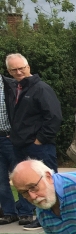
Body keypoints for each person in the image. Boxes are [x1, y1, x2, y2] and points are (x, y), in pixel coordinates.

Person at [5, 53, 62, 231]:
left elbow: (54, 117)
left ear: (28, 67)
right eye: (14, 69)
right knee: (30, 185)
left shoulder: (41, 88)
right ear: (9, 71)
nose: (18, 71)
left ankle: (58, 216)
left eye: (21, 68)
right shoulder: (17, 88)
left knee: (49, 182)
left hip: (40, 147)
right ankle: (41, 216)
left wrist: (40, 140)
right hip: (20, 146)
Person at [0, 65, 19, 224]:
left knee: (20, 176)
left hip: (11, 138)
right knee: (0, 180)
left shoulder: (13, 85)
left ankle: (26, 211)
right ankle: (8, 212)